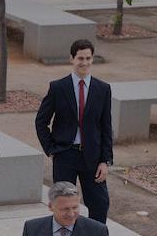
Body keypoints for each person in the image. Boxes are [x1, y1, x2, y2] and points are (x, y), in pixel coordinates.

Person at [35, 39, 113, 224]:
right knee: (63, 205)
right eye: (80, 58)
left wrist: (105, 160)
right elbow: (41, 121)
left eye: (88, 58)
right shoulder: (58, 87)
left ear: (92, 59)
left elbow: (106, 126)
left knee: (100, 204)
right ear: (72, 59)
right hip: (65, 155)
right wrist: (51, 149)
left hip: (93, 157)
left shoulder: (103, 89)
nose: (84, 63)